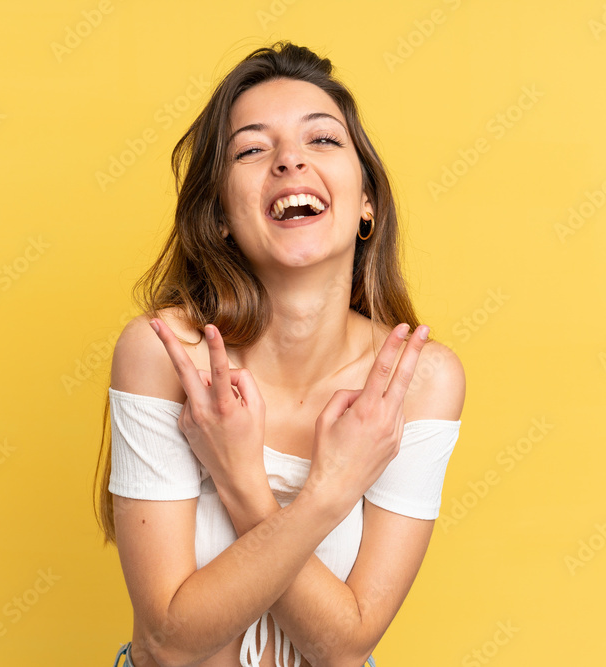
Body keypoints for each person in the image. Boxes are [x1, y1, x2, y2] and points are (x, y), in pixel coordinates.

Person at [93, 41, 466, 667]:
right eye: (252, 148)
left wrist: (243, 485)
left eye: (322, 141)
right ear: (218, 216)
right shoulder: (164, 354)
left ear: (367, 200)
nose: (290, 161)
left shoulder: (417, 379)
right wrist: (329, 493)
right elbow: (169, 644)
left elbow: (347, 646)